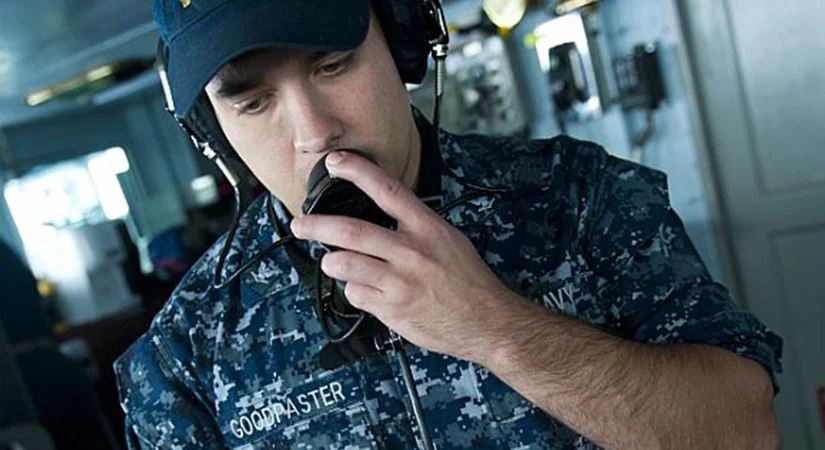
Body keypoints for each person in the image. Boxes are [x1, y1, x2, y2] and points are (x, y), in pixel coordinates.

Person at [114, 0, 784, 448]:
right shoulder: (186, 352)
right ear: (210, 133)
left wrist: (495, 328)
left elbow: (744, 433)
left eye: (333, 65)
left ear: (405, 42)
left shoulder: (582, 197)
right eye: (254, 102)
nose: (314, 134)